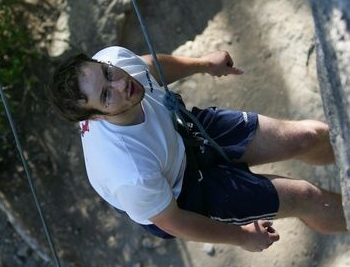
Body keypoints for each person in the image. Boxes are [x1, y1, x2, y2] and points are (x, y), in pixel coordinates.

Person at [49, 46, 347, 252]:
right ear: (96, 117)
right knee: (306, 197)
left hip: (182, 132)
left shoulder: (115, 64)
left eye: (108, 73)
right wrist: (241, 237)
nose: (120, 84)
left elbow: (148, 66)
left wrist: (204, 64)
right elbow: (174, 222)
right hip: (182, 195)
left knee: (309, 136)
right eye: (105, 95)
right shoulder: (129, 173)